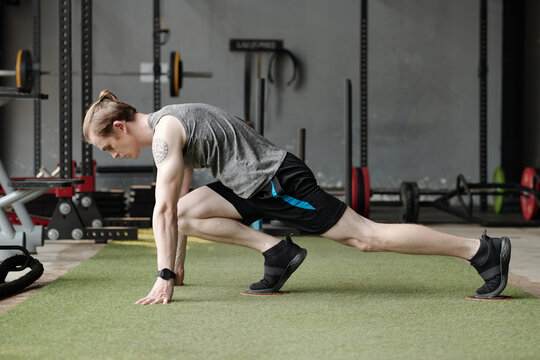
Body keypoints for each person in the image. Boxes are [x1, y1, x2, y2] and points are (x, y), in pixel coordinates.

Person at [83, 90, 511, 305]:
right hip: (248, 185)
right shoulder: (173, 120)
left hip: (277, 183)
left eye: (107, 147)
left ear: (120, 127)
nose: (113, 156)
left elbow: (159, 208)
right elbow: (176, 202)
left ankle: (480, 251)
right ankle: (276, 254)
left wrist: (160, 275)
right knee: (186, 212)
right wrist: (176, 267)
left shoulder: (164, 135)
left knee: (366, 237)